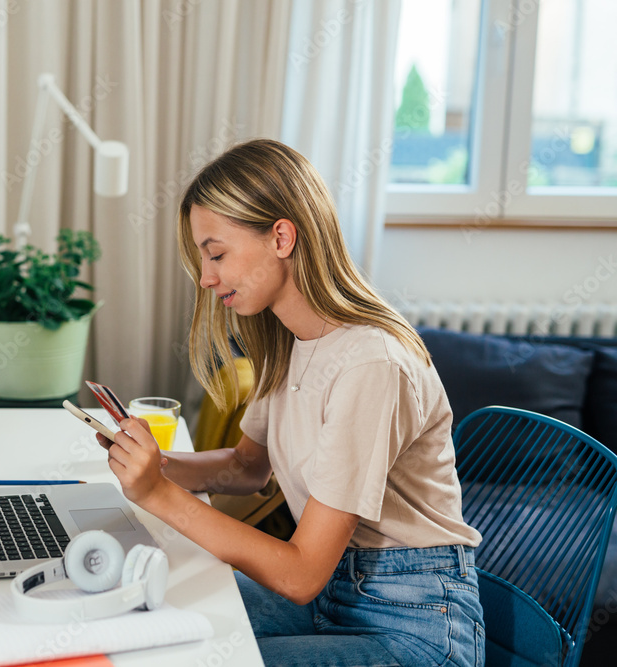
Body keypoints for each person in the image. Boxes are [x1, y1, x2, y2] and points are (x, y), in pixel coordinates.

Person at [99, 139, 484, 666]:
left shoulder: (370, 364)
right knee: (148, 623)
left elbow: (300, 574)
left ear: (281, 236)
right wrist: (151, 466)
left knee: (199, 658)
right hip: (333, 593)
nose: (207, 278)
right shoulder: (286, 341)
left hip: (411, 623)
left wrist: (157, 494)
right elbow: (245, 467)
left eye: (216, 254)